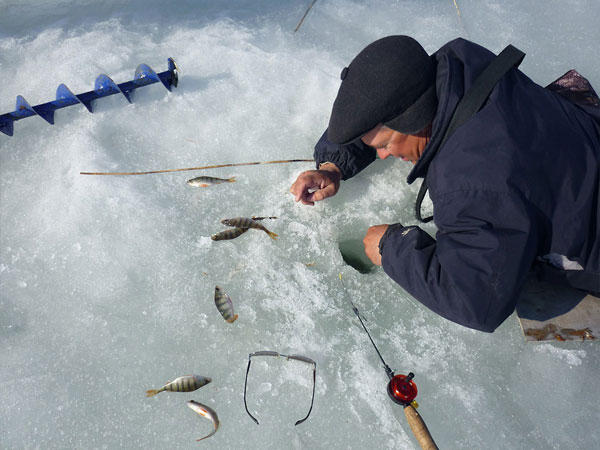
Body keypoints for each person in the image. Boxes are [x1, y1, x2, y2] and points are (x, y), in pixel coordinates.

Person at [290, 35, 600, 332]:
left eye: (385, 144)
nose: (383, 156)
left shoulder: (470, 182)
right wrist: (335, 164)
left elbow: (477, 302)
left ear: (413, 117)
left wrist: (391, 248)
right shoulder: (459, 65)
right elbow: (385, 95)